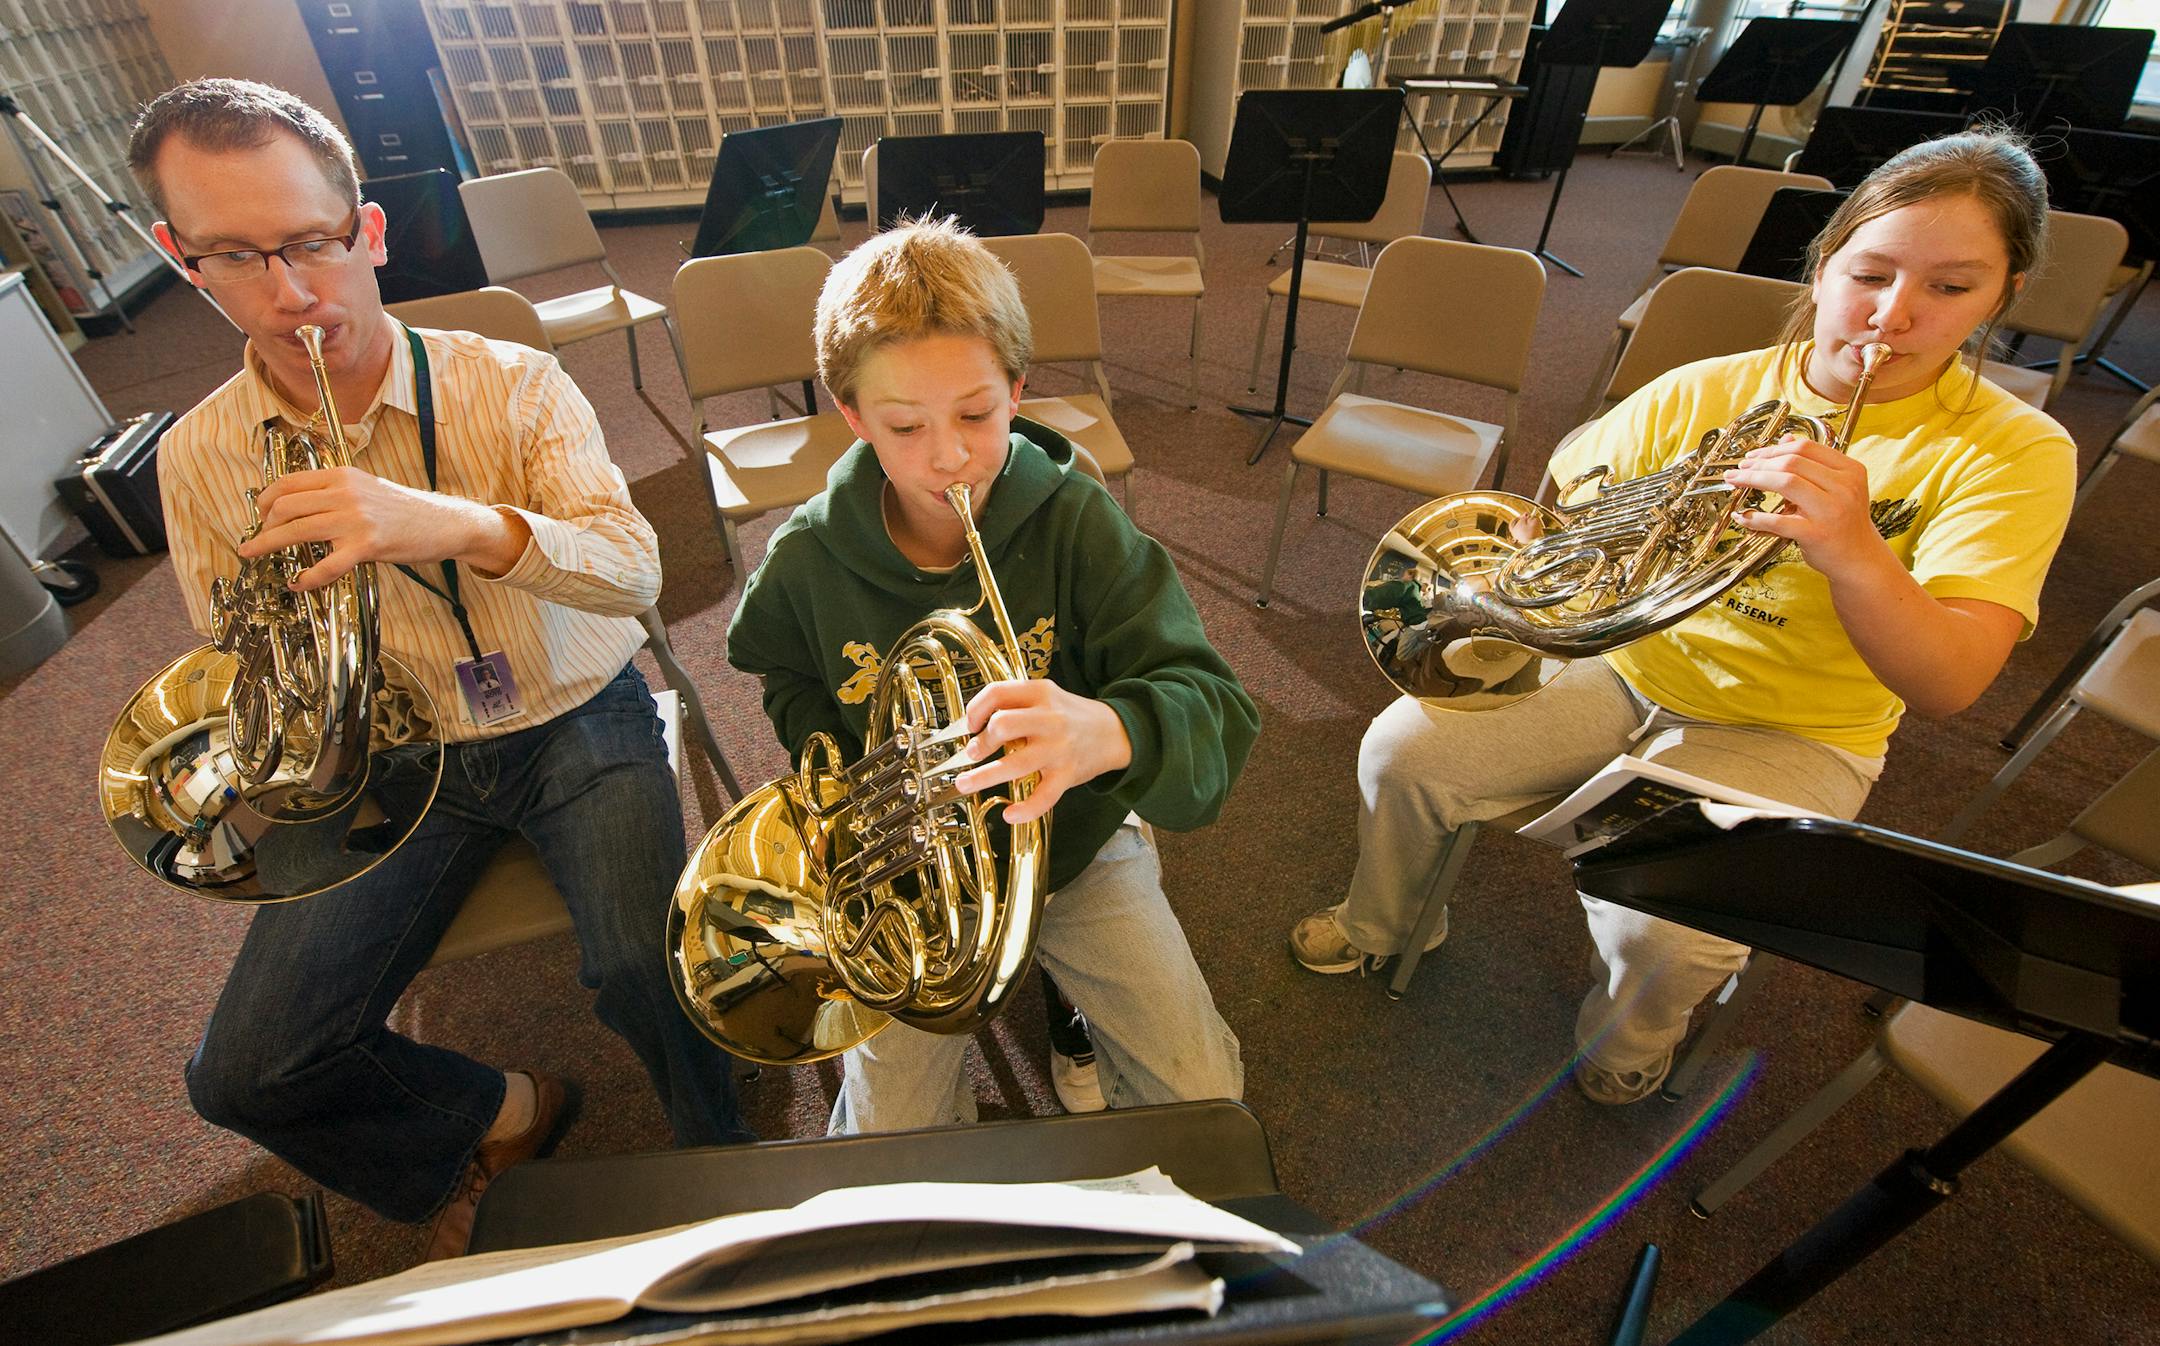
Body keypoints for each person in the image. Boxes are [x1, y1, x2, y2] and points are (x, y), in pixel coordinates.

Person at [1288, 128, 2077, 1104]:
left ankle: (1627, 1043)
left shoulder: (2015, 452)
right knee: (1403, 750)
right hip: (1626, 661)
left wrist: (1854, 545)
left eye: (1951, 287)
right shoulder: (1713, 388)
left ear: (2006, 292)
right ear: (1827, 264)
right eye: (1871, 271)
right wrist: (1602, 539)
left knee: (1660, 920)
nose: (1894, 313)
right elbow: (1569, 494)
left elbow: (1949, 680)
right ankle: (1386, 924)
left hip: (1798, 729)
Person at [129, 79, 750, 1258]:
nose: (292, 292)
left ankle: (714, 1144)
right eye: (236, 256)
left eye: (312, 242)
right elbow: (237, 649)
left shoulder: (509, 383)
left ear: (366, 232)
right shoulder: (199, 454)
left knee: (642, 964)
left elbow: (634, 571)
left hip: (573, 706)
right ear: (183, 262)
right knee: (245, 1070)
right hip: (395, 748)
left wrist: (450, 524)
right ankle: (500, 1109)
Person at [727, 218, 1255, 1132]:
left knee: (1202, 1098)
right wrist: (837, 769)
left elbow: (1213, 702)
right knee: (883, 1140)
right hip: (915, 873)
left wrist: (1105, 732)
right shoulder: (807, 559)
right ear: (851, 415)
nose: (948, 457)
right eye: (904, 425)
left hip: (1077, 842)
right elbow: (779, 668)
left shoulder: (1080, 525)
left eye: (976, 414)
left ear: (1019, 390)